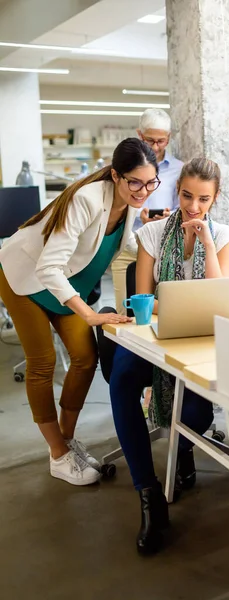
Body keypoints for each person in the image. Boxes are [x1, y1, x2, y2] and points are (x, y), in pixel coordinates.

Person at [0, 138, 159, 486]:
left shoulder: (130, 203)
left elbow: (125, 243)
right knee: (43, 362)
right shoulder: (87, 200)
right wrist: (88, 315)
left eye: (151, 182)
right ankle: (58, 454)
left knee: (85, 358)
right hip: (26, 277)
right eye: (136, 182)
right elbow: (48, 267)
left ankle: (67, 441)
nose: (144, 191)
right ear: (116, 176)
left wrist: (160, 247)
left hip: (65, 284)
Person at [109, 158, 229, 555]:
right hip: (154, 336)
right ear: (176, 190)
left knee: (198, 414)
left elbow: (220, 299)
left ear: (214, 199)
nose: (193, 206)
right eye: (186, 195)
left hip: (199, 338)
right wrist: (163, 309)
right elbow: (143, 300)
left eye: (203, 199)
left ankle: (181, 452)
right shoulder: (150, 233)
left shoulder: (227, 235)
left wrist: (206, 245)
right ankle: (149, 494)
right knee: (123, 379)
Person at [111, 108, 183, 313]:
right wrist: (137, 218)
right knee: (127, 312)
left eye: (162, 141)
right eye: (150, 140)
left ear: (168, 138)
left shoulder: (179, 169)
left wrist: (167, 219)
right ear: (139, 135)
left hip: (163, 249)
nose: (156, 146)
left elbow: (183, 209)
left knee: (159, 311)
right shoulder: (124, 166)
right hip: (128, 245)